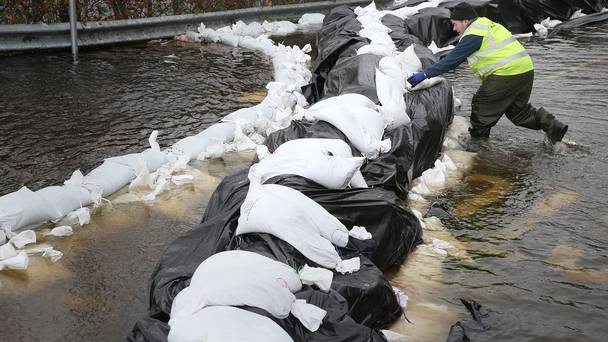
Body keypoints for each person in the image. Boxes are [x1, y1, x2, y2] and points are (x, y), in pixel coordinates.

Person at [407, 2, 568, 144]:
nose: (454, 29)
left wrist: (425, 74)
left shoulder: (473, 34)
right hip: (525, 70)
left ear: (465, 21)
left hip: (507, 73)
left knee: (481, 103)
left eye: (455, 24)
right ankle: (554, 127)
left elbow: (451, 61)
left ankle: (479, 145)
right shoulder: (486, 24)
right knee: (519, 113)